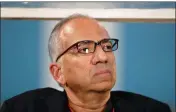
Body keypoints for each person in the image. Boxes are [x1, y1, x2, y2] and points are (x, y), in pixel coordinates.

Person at [0, 14, 171, 112]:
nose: (103, 57)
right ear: (58, 73)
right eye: (85, 49)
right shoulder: (22, 109)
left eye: (107, 46)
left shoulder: (152, 111)